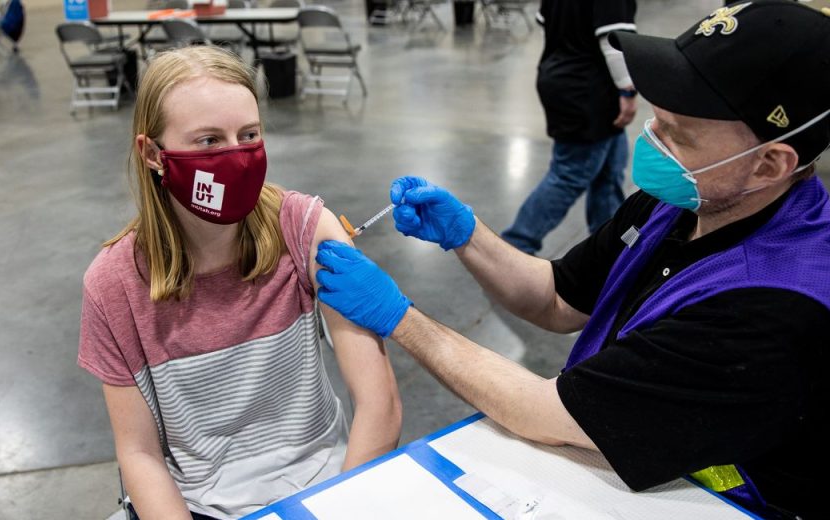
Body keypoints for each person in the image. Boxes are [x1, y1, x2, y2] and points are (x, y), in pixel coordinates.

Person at [314, 1, 830, 517]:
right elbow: (559, 298)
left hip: (727, 502)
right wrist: (467, 235)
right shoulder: (685, 199)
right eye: (658, 119)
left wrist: (399, 317)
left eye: (680, 135)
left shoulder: (777, 304)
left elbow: (545, 412)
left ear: (768, 164)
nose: (652, 139)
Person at [77, 46, 401, 520]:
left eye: (248, 135)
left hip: (325, 488)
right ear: (152, 154)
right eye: (208, 141)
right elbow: (140, 455)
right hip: (198, 504)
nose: (237, 158)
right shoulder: (114, 284)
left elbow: (380, 404)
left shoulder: (306, 230)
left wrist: (339, 507)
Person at [500, 0, 638, 255]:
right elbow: (614, 40)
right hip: (586, 89)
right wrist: (627, 91)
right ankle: (514, 247)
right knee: (569, 175)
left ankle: (610, 249)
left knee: (609, 172)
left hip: (566, 77)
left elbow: (547, 24)